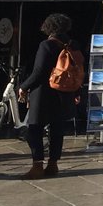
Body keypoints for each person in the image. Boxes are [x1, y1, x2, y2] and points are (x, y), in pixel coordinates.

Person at [16, 13, 79, 180]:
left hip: (44, 94)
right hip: (64, 93)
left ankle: (37, 166)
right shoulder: (72, 45)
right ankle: (53, 164)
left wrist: (23, 86)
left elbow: (39, 72)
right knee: (57, 129)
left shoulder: (47, 45)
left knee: (34, 129)